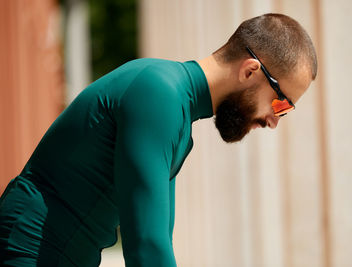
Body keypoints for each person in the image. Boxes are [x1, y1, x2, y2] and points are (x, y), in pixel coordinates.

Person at [0, 13, 317, 266]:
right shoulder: (158, 94)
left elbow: (158, 244)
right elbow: (147, 249)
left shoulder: (175, 110)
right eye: (281, 103)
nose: (275, 120)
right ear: (250, 71)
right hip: (29, 251)